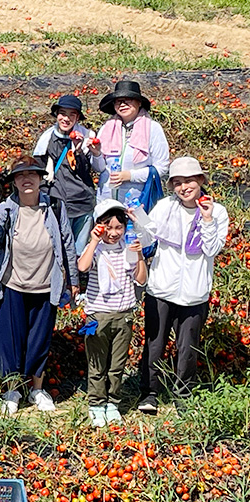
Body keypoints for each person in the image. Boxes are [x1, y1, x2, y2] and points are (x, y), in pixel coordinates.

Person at [0, 156, 79, 416]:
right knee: (10, 341)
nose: (27, 180)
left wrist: (73, 280)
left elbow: (67, 242)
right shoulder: (5, 209)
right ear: (14, 182)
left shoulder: (54, 206)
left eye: (32, 174)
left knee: (39, 341)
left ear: (41, 178)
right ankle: (12, 391)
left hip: (46, 285)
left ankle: (36, 390)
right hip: (13, 285)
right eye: (21, 176)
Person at [139, 157, 229, 414]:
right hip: (161, 288)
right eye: (177, 183)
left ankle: (183, 394)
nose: (183, 187)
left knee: (188, 347)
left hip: (194, 292)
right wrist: (138, 217)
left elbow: (212, 249)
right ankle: (150, 392)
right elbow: (148, 236)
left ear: (201, 181)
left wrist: (208, 219)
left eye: (189, 180)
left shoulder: (217, 211)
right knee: (155, 344)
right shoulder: (166, 206)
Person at [77, 200, 147, 427]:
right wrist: (94, 240)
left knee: (117, 364)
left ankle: (113, 403)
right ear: (99, 226)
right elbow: (82, 267)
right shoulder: (95, 249)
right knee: (97, 363)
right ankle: (96, 404)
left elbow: (141, 279)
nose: (114, 233)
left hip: (124, 312)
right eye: (108, 227)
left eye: (119, 227)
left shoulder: (127, 248)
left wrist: (139, 256)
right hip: (98, 314)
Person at [34, 95, 105, 257]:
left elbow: (99, 168)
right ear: (56, 114)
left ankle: (75, 282)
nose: (66, 119)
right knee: (56, 250)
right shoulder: (46, 138)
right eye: (62, 113)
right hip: (56, 203)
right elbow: (37, 170)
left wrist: (89, 152)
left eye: (71, 115)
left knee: (78, 252)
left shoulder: (87, 136)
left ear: (78, 117)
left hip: (82, 204)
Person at [95, 81, 169, 210]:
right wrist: (96, 154)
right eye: (118, 101)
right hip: (107, 202)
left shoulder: (153, 129)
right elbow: (99, 168)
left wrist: (130, 176)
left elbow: (161, 167)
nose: (122, 104)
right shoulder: (106, 129)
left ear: (139, 103)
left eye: (128, 100)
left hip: (138, 202)